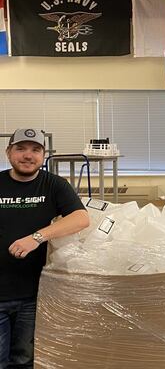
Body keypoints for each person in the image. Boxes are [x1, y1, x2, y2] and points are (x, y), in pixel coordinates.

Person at [1, 128, 88, 368]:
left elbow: (81, 218)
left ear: (44, 155)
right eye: (20, 148)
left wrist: (36, 237)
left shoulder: (54, 185)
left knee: (24, 360)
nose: (28, 155)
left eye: (35, 150)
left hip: (34, 293)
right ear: (8, 152)